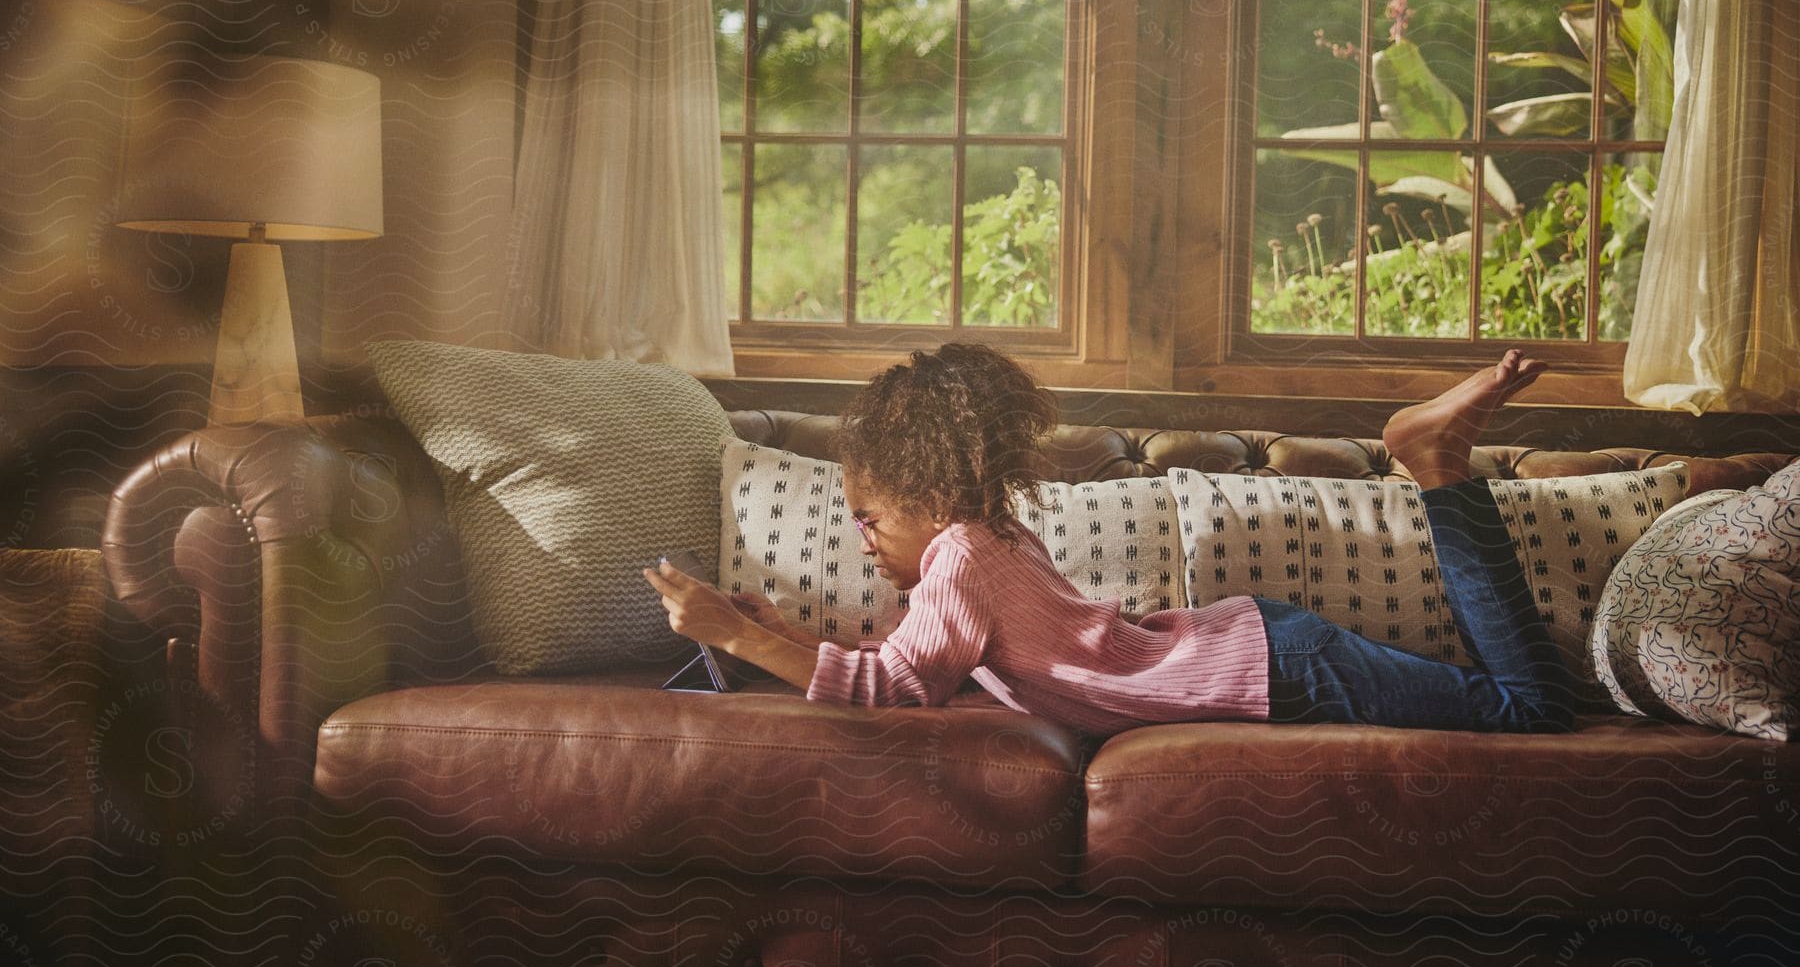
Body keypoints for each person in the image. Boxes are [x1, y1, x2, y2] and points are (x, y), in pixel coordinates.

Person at [642, 343, 1577, 737]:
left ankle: (1437, 463)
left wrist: (733, 636)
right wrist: (778, 632)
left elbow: (895, 688)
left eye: (871, 516)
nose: (861, 537)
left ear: (930, 494)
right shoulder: (979, 543)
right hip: (1267, 648)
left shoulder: (963, 556)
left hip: (1274, 669)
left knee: (1532, 712)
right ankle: (1437, 459)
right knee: (1522, 705)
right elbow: (907, 660)